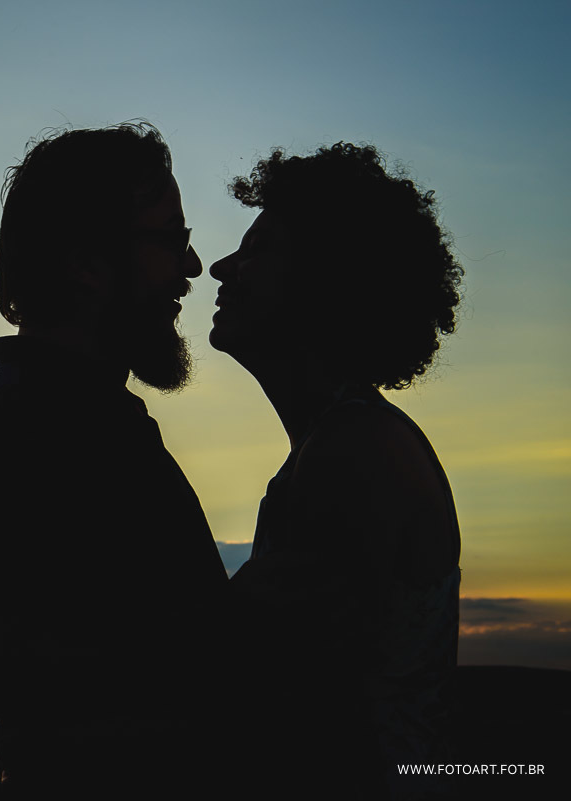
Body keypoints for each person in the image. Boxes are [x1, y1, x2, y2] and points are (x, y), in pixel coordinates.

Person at [0, 123, 228, 793]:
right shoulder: (21, 422)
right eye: (170, 239)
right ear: (87, 264)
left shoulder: (88, 413)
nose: (190, 267)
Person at [209, 143, 463, 799]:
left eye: (259, 249)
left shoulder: (356, 452)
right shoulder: (344, 441)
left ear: (325, 278)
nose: (220, 267)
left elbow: (280, 697)